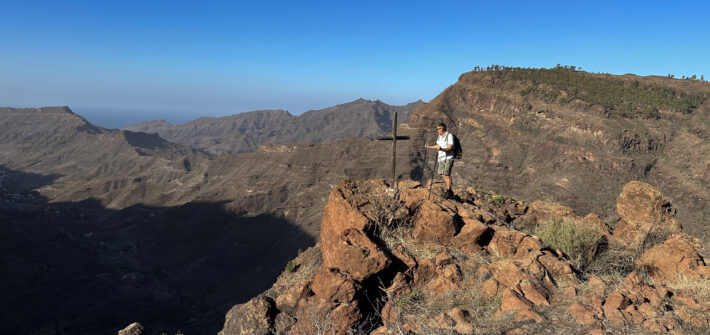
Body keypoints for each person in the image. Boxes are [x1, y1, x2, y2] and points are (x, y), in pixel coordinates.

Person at [425, 123, 455, 198]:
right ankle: (450, 190)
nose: (437, 130)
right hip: (441, 158)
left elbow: (450, 147)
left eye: (437, 129)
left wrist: (441, 149)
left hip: (448, 157)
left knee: (447, 174)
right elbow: (437, 145)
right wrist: (429, 147)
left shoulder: (449, 136)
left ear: (442, 129)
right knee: (442, 174)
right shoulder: (439, 136)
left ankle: (448, 191)